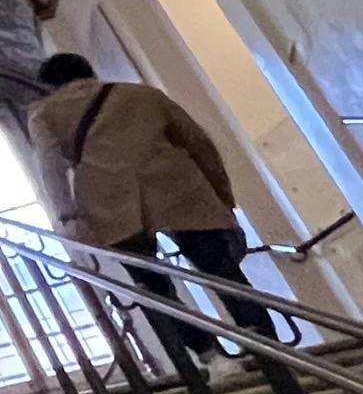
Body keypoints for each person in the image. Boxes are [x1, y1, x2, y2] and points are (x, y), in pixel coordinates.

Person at [25, 54, 265, 364]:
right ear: (90, 71)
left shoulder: (45, 113)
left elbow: (50, 165)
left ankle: (211, 356)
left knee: (155, 289)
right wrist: (221, 195)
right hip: (178, 187)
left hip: (108, 201)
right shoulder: (143, 94)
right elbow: (197, 142)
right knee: (221, 271)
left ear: (49, 87)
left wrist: (67, 215)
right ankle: (264, 346)